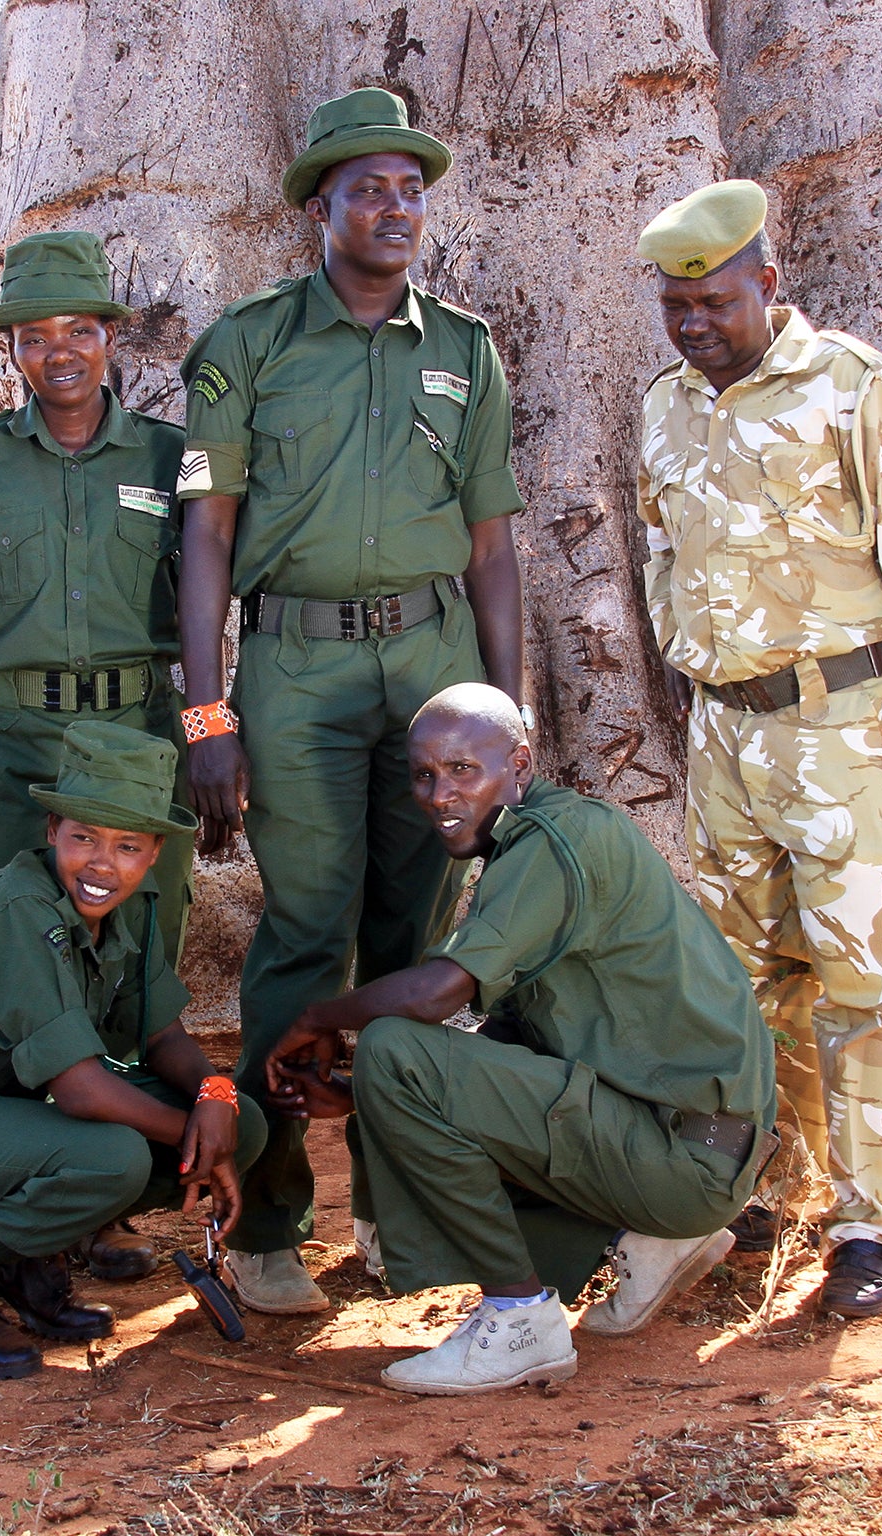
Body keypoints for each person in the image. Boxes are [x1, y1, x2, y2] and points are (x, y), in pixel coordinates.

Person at [175, 87, 527, 1315]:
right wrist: (208, 715)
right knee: (305, 931)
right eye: (366, 189)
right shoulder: (246, 344)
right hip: (299, 670)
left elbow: (490, 548)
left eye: (409, 189)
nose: (393, 209)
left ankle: (396, 1211)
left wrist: (504, 717)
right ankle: (270, 1221)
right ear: (317, 208)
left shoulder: (463, 348)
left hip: (431, 666)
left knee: (416, 936)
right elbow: (205, 539)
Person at [632, 180, 882, 1318]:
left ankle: (865, 1226)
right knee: (745, 979)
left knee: (865, 979)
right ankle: (774, 1184)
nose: (692, 322)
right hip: (720, 737)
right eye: (673, 305)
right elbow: (658, 544)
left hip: (836, 731)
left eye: (711, 300)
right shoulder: (665, 404)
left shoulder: (853, 389)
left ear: (766, 283)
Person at [265, 683, 776, 1395]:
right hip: (691, 1140)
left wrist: (317, 1018)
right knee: (397, 1071)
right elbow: (509, 1046)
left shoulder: (553, 843)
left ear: (520, 765)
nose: (440, 794)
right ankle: (647, 1239)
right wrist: (359, 1101)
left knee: (391, 1046)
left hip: (681, 1156)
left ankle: (521, 1319)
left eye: (463, 771)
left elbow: (437, 993)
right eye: (423, 775)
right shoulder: (538, 842)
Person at [0, 230, 194, 1283]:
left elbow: (211, 606)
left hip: (134, 733)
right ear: (10, 355)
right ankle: (7, 1182)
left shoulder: (169, 458)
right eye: (34, 338)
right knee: (6, 956)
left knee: (132, 955)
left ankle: (100, 1192)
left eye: (80, 330)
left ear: (112, 337)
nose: (60, 353)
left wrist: (208, 736)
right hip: (10, 740)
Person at [0, 721, 267, 1379]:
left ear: (154, 853)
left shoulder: (131, 904)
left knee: (245, 1121)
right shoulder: (19, 905)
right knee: (111, 1155)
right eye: (83, 837)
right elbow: (82, 1091)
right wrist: (199, 1140)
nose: (102, 863)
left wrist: (214, 1096)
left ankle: (25, 1264)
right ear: (51, 833)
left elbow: (161, 1034)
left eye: (127, 845)